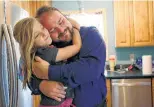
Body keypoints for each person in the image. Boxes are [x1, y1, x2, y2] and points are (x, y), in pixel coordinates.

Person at [32, 6, 107, 107]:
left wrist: (48, 72)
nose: (61, 30)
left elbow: (90, 70)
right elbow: (25, 72)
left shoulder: (90, 34)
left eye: (61, 21)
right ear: (45, 33)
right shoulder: (46, 47)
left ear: (66, 17)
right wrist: (40, 85)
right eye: (52, 30)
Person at [13, 17, 81, 107]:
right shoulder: (46, 53)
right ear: (30, 44)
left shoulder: (35, 54)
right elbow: (76, 47)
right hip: (57, 103)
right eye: (37, 35)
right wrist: (75, 28)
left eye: (42, 27)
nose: (44, 33)